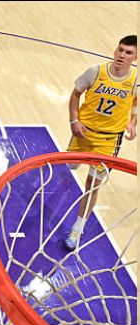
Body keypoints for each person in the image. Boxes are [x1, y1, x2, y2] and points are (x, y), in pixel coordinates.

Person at [65, 35, 137, 250]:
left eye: (128, 52)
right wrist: (74, 120)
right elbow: (76, 94)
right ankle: (75, 161)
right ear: (115, 51)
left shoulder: (135, 80)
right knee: (70, 166)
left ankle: (77, 229)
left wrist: (133, 121)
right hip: (84, 132)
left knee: (92, 185)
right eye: (120, 50)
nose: (122, 55)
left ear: (135, 57)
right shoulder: (95, 72)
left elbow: (135, 101)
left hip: (109, 140)